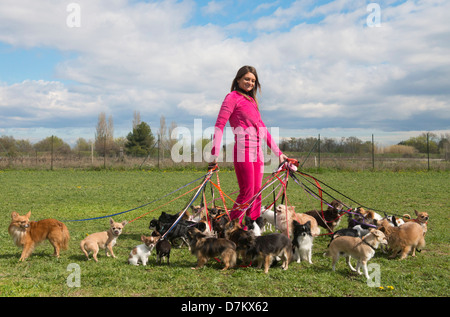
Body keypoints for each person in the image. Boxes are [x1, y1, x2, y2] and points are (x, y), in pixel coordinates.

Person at [210, 65, 288, 223]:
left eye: (253, 80)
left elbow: (263, 128)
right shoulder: (231, 97)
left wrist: (278, 153)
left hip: (257, 152)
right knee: (247, 192)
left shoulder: (252, 101)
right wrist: (214, 152)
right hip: (242, 150)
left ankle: (252, 230)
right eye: (246, 79)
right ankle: (232, 229)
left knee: (257, 193)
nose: (250, 82)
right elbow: (219, 124)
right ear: (238, 79)